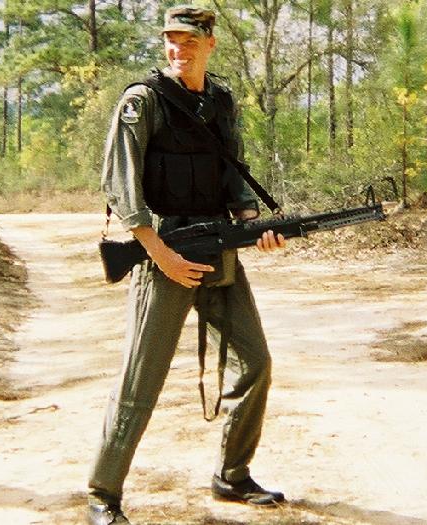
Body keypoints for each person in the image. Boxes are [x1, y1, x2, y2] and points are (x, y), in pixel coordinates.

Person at [88, 5, 286, 524]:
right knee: (140, 380)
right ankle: (103, 493)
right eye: (171, 41)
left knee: (255, 363)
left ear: (210, 44)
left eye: (190, 41)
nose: (179, 49)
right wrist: (162, 257)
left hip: (216, 245)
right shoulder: (143, 101)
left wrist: (255, 226)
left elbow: (232, 174)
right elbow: (120, 187)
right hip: (164, 251)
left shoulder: (220, 101)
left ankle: (232, 475)